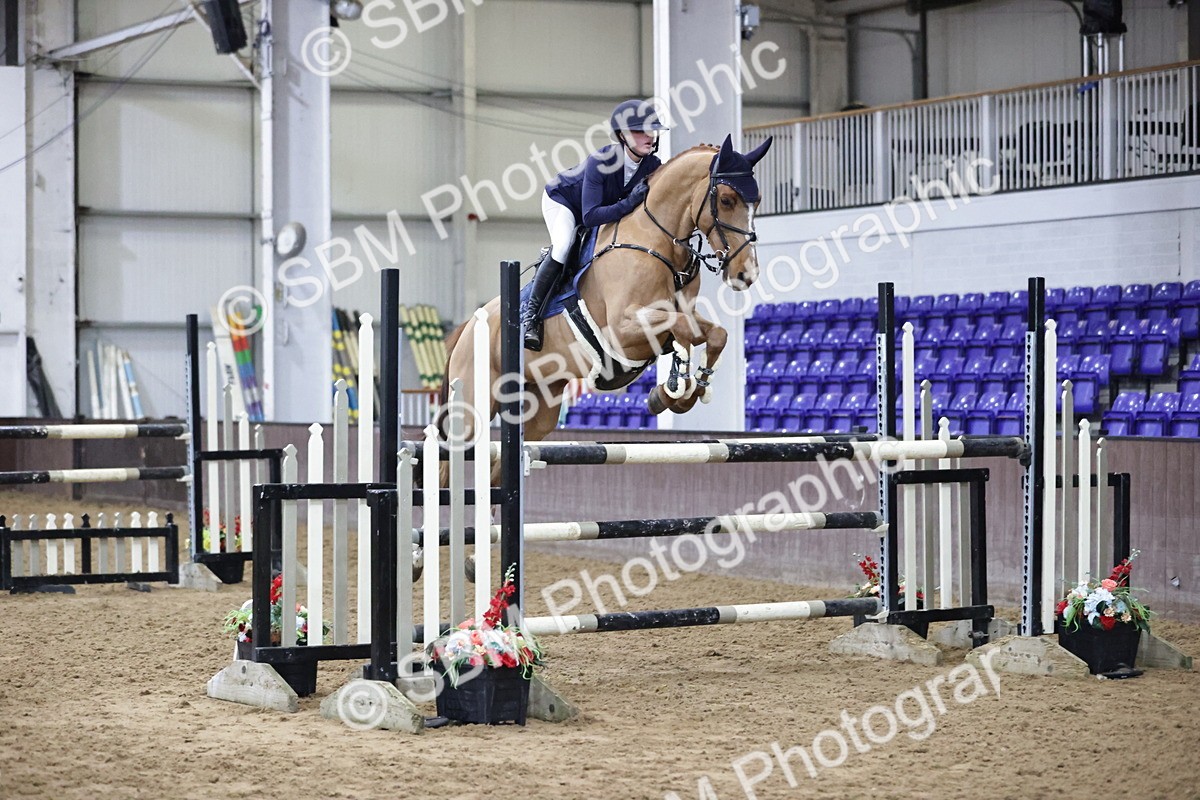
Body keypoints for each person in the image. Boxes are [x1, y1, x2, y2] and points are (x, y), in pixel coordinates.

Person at [520, 98, 669, 351]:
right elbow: (589, 217)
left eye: (651, 130)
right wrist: (629, 202)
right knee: (564, 245)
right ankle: (531, 317)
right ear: (622, 136)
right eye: (640, 131)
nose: (649, 136)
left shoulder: (653, 166)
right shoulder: (601, 161)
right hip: (565, 203)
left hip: (600, 209)